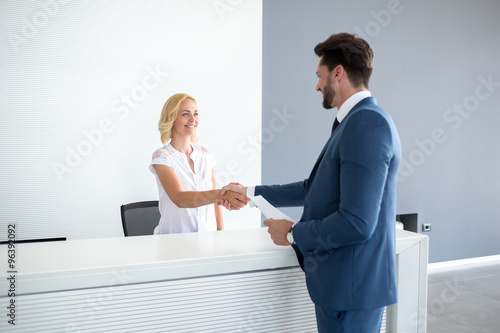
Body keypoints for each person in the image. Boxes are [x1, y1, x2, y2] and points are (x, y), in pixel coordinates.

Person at [222, 33, 401, 332]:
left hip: (351, 291)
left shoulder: (367, 124)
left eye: (319, 76)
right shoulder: (353, 122)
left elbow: (357, 222)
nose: (317, 85)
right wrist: (250, 193)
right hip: (343, 289)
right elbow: (314, 188)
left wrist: (293, 234)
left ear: (338, 73)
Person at [150, 93, 248, 234]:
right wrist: (222, 194)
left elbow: (215, 202)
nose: (193, 119)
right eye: (185, 114)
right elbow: (179, 198)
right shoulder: (162, 157)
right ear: (171, 118)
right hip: (174, 240)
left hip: (208, 238)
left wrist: (221, 233)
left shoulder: (205, 155)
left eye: (196, 114)